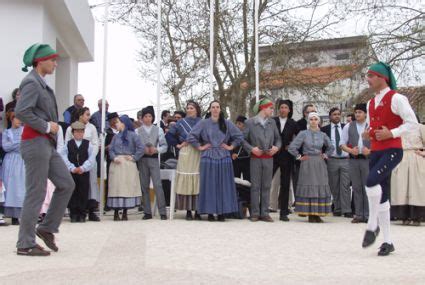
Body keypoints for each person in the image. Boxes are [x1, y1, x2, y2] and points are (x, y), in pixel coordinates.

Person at [15, 43, 75, 256]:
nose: (56, 64)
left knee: (66, 184)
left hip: (46, 144)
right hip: (35, 142)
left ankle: (47, 228)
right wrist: (46, 125)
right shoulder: (31, 82)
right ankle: (25, 243)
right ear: (40, 61)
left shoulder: (40, 83)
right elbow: (21, 111)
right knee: (36, 191)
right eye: (52, 60)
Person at [361, 62, 418, 256]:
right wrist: (367, 134)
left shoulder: (398, 99)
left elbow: (413, 124)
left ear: (381, 77)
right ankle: (388, 241)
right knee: (382, 195)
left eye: (370, 75)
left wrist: (392, 133)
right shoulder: (370, 103)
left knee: (370, 181)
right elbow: (370, 126)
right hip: (376, 150)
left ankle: (372, 224)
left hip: (392, 150)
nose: (367, 79)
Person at [188, 100, 243, 222]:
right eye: (213, 107)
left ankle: (222, 212)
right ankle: (210, 213)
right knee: (209, 185)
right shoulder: (203, 123)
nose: (215, 109)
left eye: (217, 107)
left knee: (223, 185)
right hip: (208, 157)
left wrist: (231, 147)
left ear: (220, 109)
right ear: (210, 109)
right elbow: (191, 136)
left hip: (224, 157)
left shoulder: (227, 124)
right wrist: (200, 147)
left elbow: (239, 136)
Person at [288, 112, 335, 223]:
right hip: (307, 163)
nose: (313, 121)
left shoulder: (322, 135)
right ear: (308, 121)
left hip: (319, 163)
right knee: (309, 186)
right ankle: (310, 213)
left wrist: (326, 154)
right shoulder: (303, 133)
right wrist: (299, 157)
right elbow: (292, 147)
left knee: (319, 185)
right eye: (311, 119)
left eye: (315, 119)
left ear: (319, 121)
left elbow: (331, 147)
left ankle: (317, 213)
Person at [243, 98, 281, 222]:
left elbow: (278, 139)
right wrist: (251, 149)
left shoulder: (272, 123)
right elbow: (242, 140)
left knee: (266, 186)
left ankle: (264, 213)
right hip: (255, 159)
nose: (272, 111)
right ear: (263, 108)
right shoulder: (249, 123)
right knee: (255, 186)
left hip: (269, 158)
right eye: (271, 108)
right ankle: (254, 213)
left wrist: (276, 147)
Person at [166, 101, 202, 220]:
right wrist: (178, 145)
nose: (189, 110)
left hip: (198, 152)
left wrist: (202, 144)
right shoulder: (180, 123)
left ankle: (198, 210)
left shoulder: (202, 122)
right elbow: (169, 136)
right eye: (188, 108)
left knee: (198, 180)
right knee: (186, 179)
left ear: (196, 109)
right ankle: (188, 211)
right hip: (186, 152)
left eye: (191, 108)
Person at [65, 107, 100, 222]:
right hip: (73, 168)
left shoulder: (92, 128)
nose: (88, 117)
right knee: (74, 189)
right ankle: (74, 213)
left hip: (87, 164)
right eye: (86, 114)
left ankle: (86, 211)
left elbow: (95, 145)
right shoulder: (70, 129)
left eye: (81, 131)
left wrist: (86, 165)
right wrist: (72, 167)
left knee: (87, 187)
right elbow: (65, 151)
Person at [108, 115, 144, 221]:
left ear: (124, 123)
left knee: (127, 187)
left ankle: (125, 212)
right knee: (116, 187)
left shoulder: (133, 135)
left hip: (128, 165)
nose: (116, 124)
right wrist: (114, 158)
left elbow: (141, 148)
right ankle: (115, 212)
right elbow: (111, 149)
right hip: (117, 164)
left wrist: (133, 157)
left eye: (118, 122)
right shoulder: (115, 137)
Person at [340, 103, 371, 223]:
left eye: (360, 112)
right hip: (353, 160)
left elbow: (380, 143)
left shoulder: (371, 126)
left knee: (368, 188)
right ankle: (358, 214)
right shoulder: (348, 126)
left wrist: (370, 151)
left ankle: (368, 214)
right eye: (356, 112)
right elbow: (342, 144)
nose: (357, 114)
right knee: (357, 187)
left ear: (365, 114)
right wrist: (350, 150)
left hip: (368, 160)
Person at [390, 121, 425, 226]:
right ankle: (403, 216)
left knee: (416, 188)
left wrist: (423, 152)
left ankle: (417, 217)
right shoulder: (398, 128)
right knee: (401, 188)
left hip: (416, 157)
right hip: (401, 157)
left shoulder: (420, 127)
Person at [136, 106, 168, 220]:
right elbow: (136, 146)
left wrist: (157, 150)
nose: (148, 118)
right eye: (146, 116)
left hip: (154, 159)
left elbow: (165, 146)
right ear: (142, 118)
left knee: (158, 185)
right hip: (142, 159)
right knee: (144, 185)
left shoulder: (158, 129)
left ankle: (162, 211)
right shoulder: (137, 131)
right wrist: (141, 150)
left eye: (150, 116)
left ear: (153, 117)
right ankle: (147, 212)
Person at [322, 107, 352, 218]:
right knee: (334, 186)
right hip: (332, 160)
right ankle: (338, 208)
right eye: (334, 114)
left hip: (346, 159)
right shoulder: (324, 129)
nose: (337, 116)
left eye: (338, 114)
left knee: (345, 185)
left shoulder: (346, 127)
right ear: (330, 116)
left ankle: (347, 209)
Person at [273, 99, 298, 221]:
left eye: (285, 108)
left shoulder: (293, 123)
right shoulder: (272, 121)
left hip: (287, 157)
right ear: (278, 109)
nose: (283, 109)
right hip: (273, 155)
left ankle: (283, 212)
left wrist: (292, 145)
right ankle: (262, 209)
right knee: (267, 181)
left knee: (285, 184)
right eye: (281, 107)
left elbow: (299, 138)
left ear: (289, 110)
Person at [2, 114, 25, 225]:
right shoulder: (7, 132)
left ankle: (20, 215)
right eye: (18, 118)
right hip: (10, 161)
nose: (20, 121)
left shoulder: (24, 130)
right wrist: (18, 143)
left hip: (22, 160)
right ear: (12, 119)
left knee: (21, 187)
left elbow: (26, 144)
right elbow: (6, 146)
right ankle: (11, 215)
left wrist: (14, 144)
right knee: (10, 186)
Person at [232, 115, 250, 181]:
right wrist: (232, 153)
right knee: (234, 181)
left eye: (239, 124)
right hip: (235, 161)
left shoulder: (249, 136)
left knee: (247, 182)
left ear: (244, 125)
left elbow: (249, 149)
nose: (237, 125)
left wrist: (239, 155)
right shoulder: (232, 135)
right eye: (236, 123)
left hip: (246, 161)